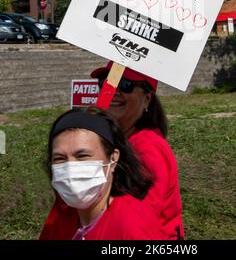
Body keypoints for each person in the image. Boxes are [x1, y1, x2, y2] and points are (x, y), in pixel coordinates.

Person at [41, 61, 184, 240]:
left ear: (147, 98)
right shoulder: (110, 138)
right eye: (107, 82)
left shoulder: (148, 148)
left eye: (125, 84)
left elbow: (139, 219)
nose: (114, 90)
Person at [40, 107, 168, 240]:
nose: (70, 167)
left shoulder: (133, 228)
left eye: (82, 156)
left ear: (113, 158)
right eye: (59, 158)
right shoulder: (62, 218)